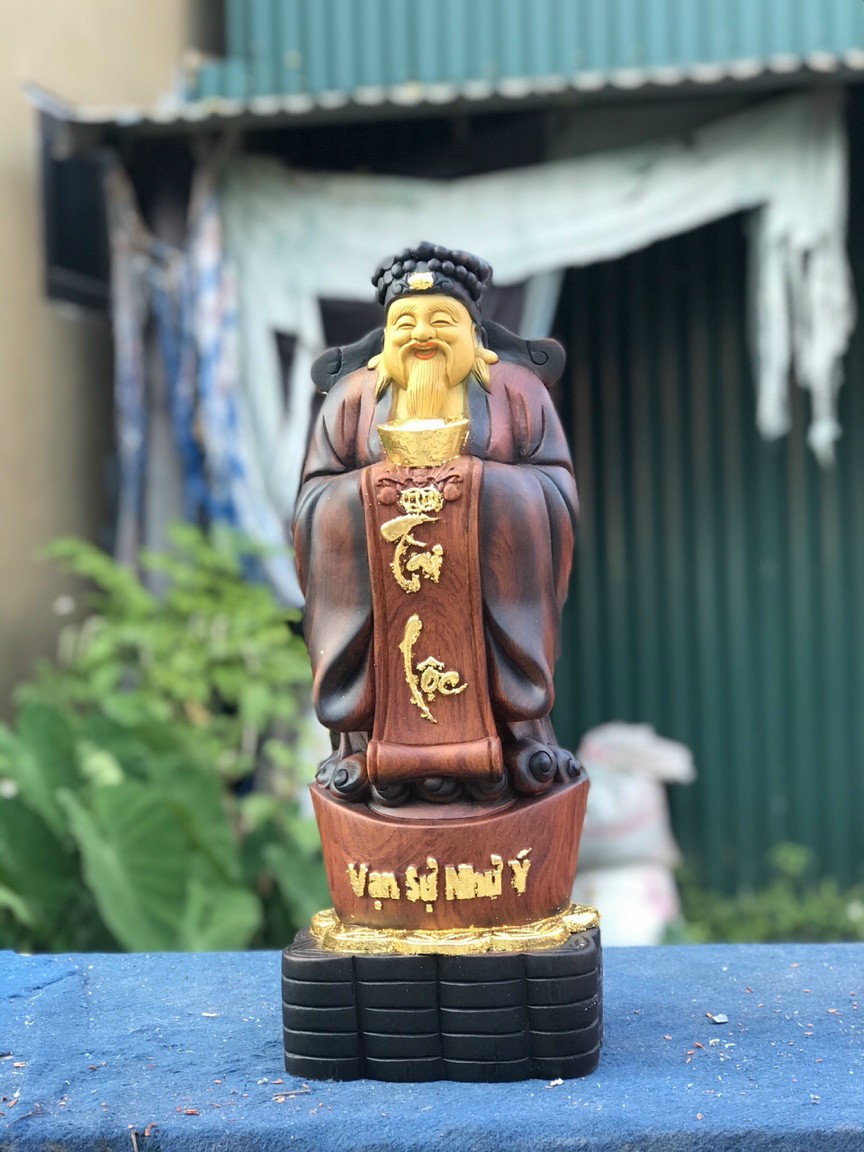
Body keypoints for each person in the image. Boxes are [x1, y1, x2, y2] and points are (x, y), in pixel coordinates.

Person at [293, 242, 579, 805]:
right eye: (405, 324)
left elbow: (555, 495)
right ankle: (368, 742)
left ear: (475, 337)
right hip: (385, 625)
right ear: (384, 344)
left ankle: (511, 737)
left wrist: (480, 489)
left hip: (485, 610)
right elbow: (313, 506)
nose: (422, 335)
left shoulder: (517, 391)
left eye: (441, 320)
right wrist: (371, 495)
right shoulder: (351, 400)